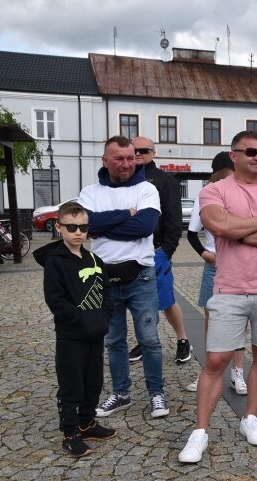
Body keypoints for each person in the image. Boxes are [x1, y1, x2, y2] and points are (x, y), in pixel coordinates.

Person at [178, 131, 257, 464]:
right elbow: (218, 225)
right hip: (228, 289)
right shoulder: (214, 190)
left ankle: (251, 417)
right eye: (251, 151)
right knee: (216, 361)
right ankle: (200, 432)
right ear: (234, 155)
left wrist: (239, 229)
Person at [78, 136, 168, 419]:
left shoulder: (146, 190)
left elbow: (144, 228)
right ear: (105, 160)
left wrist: (101, 225)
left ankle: (156, 393)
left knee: (149, 339)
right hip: (103, 277)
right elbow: (82, 225)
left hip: (140, 276)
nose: (127, 163)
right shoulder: (90, 192)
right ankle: (121, 393)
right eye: (119, 158)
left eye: (131, 157)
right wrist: (123, 215)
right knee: (114, 340)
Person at [33, 201, 116, 457]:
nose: (78, 232)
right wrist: (79, 320)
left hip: (95, 333)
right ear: (59, 227)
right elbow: (56, 300)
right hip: (71, 335)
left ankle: (87, 423)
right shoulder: (56, 262)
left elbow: (105, 293)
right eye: (71, 227)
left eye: (82, 227)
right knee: (72, 385)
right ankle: (70, 433)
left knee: (94, 381)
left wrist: (103, 318)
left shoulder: (95, 259)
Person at [184, 151, 247, 395]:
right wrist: (205, 254)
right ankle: (208, 374)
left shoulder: (244, 193)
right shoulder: (207, 196)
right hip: (215, 266)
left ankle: (237, 374)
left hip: (242, 265)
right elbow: (191, 234)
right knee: (212, 324)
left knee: (240, 322)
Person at [129, 137, 192, 364]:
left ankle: (183, 339)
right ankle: (145, 340)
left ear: (153, 153)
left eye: (143, 150)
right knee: (140, 301)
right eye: (134, 150)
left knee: (165, 300)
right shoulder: (125, 178)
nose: (138, 154)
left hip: (156, 250)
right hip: (131, 251)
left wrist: (167, 250)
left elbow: (174, 219)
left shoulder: (166, 180)